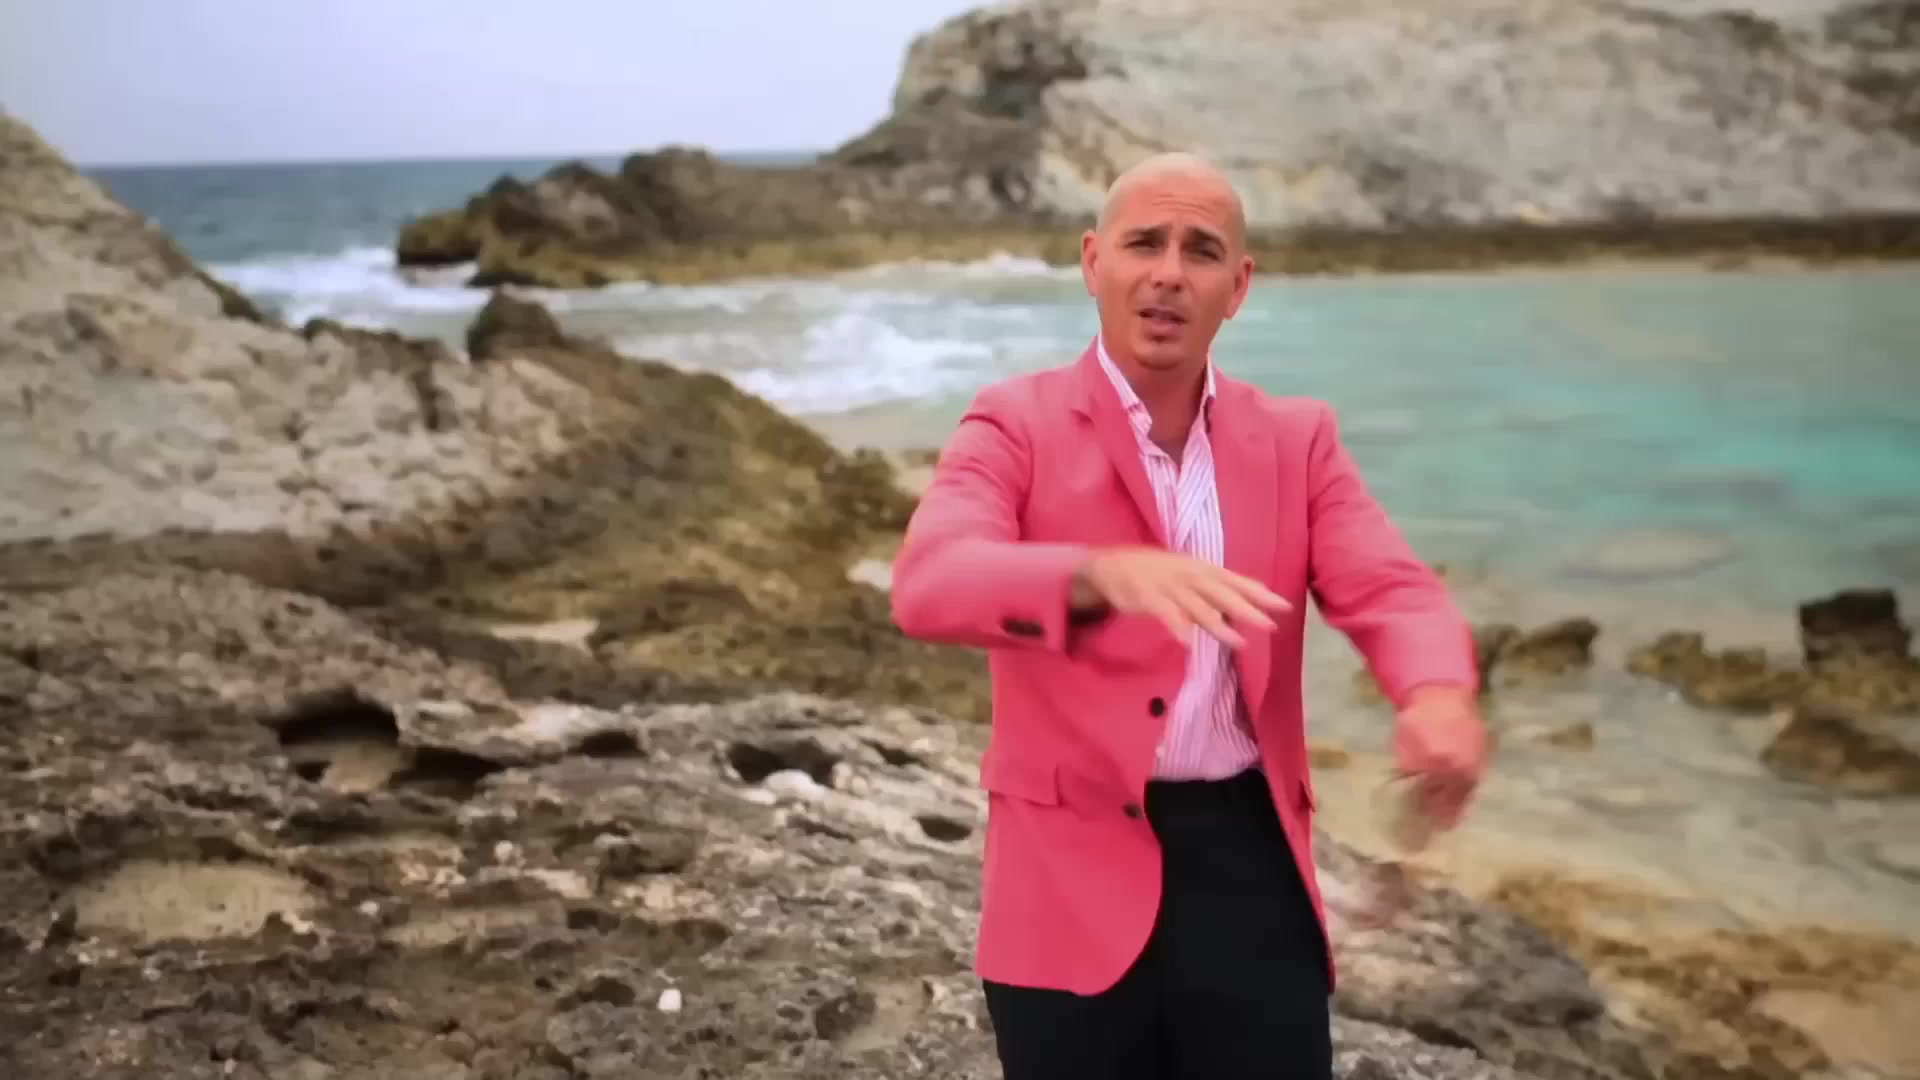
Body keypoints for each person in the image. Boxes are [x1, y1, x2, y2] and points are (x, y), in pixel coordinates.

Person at [888, 152, 1489, 1079]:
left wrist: (1438, 693)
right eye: (1144, 243)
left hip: (1250, 867)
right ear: (1094, 262)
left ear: (1237, 287)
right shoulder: (1013, 423)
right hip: (1062, 874)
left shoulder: (1297, 440)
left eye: (1200, 251)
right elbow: (931, 580)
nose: (1169, 272)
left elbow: (1390, 588)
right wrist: (1095, 574)